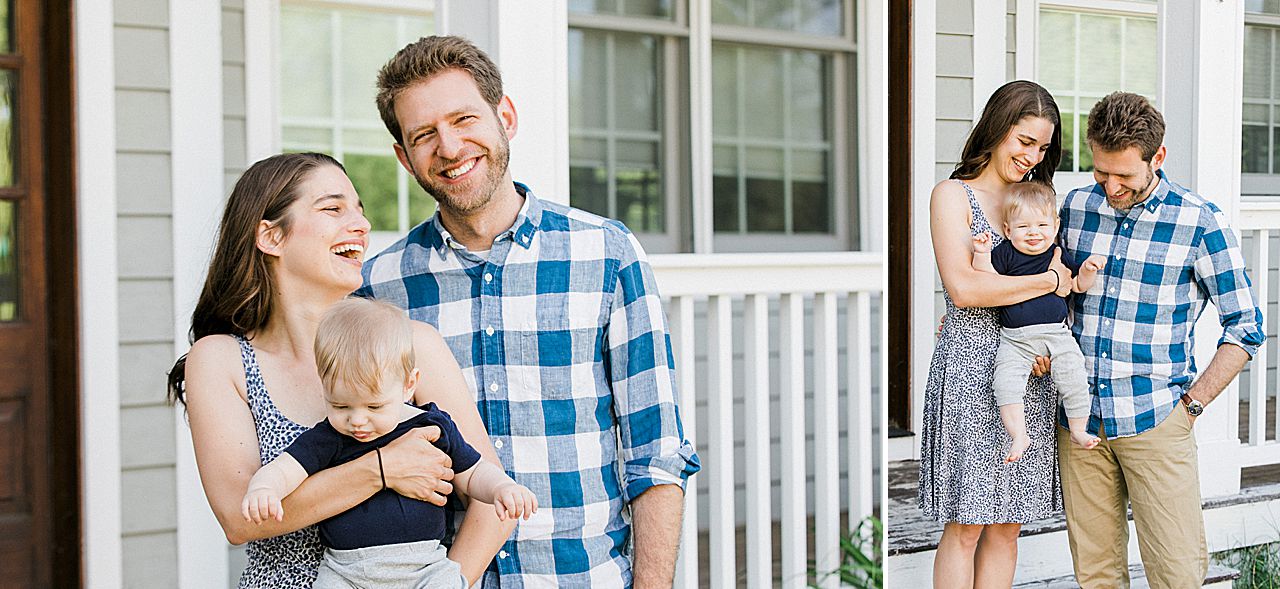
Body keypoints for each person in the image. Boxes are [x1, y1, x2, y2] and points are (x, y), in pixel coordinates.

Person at [356, 35, 701, 588]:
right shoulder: (378, 288)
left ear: (506, 117)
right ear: (404, 157)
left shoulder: (607, 254)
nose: (448, 147)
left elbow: (656, 450)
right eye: (424, 135)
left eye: (463, 118)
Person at [169, 152, 513, 587]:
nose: (362, 225)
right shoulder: (223, 360)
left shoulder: (412, 345)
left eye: (360, 210)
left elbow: (490, 500)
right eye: (333, 208)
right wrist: (381, 468)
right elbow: (241, 517)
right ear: (271, 237)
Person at [1056, 92, 1265, 588]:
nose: (1110, 186)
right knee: (1096, 575)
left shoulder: (1200, 221)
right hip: (1080, 424)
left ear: (1158, 158)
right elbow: (1052, 289)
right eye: (1100, 171)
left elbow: (1246, 327)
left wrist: (1190, 407)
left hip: (1155, 421)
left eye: (1124, 176)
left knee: (1176, 574)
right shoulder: (1075, 207)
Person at [241, 298, 537, 589]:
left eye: (374, 407)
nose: (357, 420)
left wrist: (502, 488)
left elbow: (473, 472)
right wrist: (265, 488)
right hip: (345, 570)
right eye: (341, 406)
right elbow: (284, 469)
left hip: (424, 567)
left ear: (409, 385)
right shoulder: (328, 437)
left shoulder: (432, 426)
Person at [918, 79, 1073, 589]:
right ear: (997, 128)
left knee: (1008, 524)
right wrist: (1047, 281)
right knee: (966, 522)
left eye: (1043, 147)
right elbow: (963, 289)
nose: (1032, 156)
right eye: (1024, 141)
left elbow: (1063, 291)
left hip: (1028, 370)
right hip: (970, 367)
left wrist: (1052, 334)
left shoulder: (1038, 201)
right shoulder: (952, 195)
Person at [970, 182, 1104, 462]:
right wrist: (982, 253)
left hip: (1057, 335)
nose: (1033, 233)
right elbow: (986, 281)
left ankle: (1079, 428)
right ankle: (1019, 434)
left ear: (1055, 227)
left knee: (1074, 376)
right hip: (1015, 340)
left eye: (1042, 225)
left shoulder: (1056, 254)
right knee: (1005, 383)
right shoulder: (1006, 253)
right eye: (1023, 227)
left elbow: (1077, 285)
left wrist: (1089, 270)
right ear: (1008, 230)